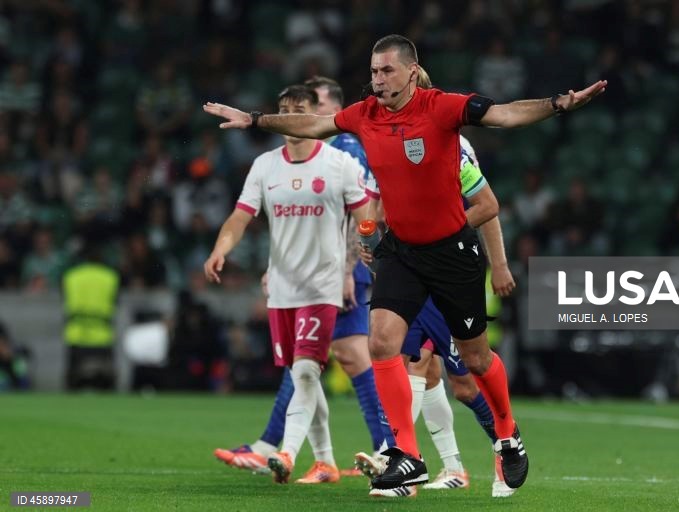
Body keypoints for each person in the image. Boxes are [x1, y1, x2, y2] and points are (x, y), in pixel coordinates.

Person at [204, 34, 606, 492]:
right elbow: (314, 125)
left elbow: (505, 115)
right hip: (402, 252)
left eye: (387, 70)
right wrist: (254, 119)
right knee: (382, 343)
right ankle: (407, 456)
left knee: (474, 358)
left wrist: (559, 104)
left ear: (411, 71)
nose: (377, 79)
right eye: (373, 72)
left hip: (452, 252)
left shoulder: (443, 107)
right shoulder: (365, 115)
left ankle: (508, 434)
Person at [213, 77, 394, 475]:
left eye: (307, 109)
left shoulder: (344, 148)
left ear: (325, 111)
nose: (296, 119)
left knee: (325, 361)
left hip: (339, 271)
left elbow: (366, 212)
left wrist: (352, 266)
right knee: (316, 362)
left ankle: (289, 449)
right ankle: (330, 458)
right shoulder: (273, 163)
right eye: (289, 111)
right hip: (296, 280)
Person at [357, 126, 517, 498]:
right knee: (418, 364)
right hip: (409, 267)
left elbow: (486, 206)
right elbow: (375, 207)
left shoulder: (453, 146)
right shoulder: (381, 145)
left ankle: (503, 444)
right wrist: (371, 244)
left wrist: (501, 264)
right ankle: (424, 464)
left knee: (459, 381)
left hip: (450, 267)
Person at [62, 243, 120, 390]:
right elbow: (115, 303)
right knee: (106, 381)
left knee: (74, 381)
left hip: (76, 334)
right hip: (102, 334)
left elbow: (66, 301)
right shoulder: (110, 277)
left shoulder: (71, 276)